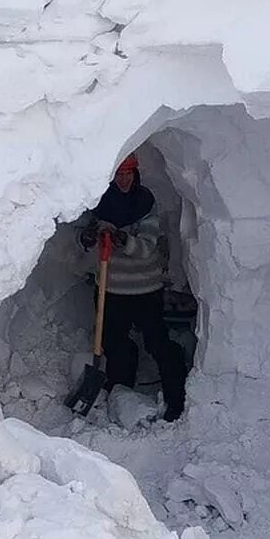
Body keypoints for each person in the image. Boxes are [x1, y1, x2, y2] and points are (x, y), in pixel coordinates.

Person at [77, 153, 188, 422]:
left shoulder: (145, 205)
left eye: (128, 174)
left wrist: (121, 239)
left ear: (135, 175)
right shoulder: (98, 206)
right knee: (115, 345)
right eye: (119, 174)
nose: (124, 180)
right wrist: (88, 238)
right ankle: (122, 394)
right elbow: (82, 248)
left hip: (145, 291)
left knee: (157, 343)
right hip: (111, 290)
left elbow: (147, 248)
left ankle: (177, 396)